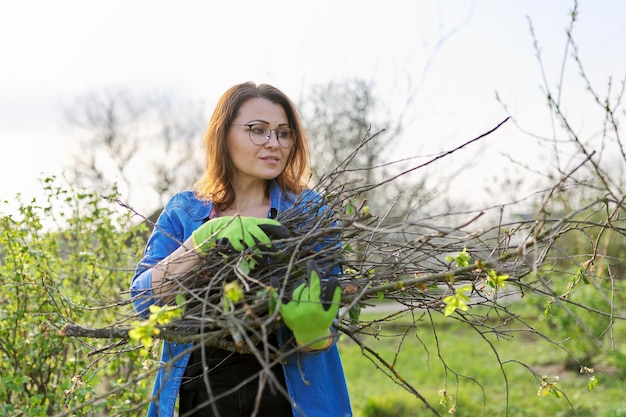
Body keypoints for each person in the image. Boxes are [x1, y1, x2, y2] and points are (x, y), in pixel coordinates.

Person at [130, 82, 353, 417]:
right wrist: (202, 239)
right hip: (205, 395)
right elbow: (144, 302)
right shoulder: (184, 212)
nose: (273, 143)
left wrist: (314, 332)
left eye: (283, 133)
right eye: (257, 130)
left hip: (292, 397)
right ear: (223, 135)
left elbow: (329, 315)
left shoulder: (309, 212)